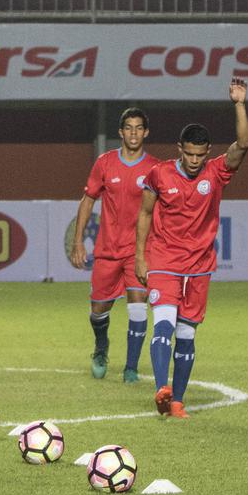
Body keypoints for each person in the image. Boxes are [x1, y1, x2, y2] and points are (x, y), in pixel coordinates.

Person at [136, 78, 248, 419]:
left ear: (208, 153)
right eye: (189, 154)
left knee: (186, 334)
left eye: (200, 155)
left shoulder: (216, 173)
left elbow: (243, 144)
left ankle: (177, 402)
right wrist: (140, 257)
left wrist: (239, 104)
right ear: (179, 148)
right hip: (164, 260)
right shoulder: (159, 175)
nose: (194, 161)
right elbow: (144, 214)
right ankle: (161, 388)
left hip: (200, 265)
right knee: (164, 325)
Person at [70, 108, 160, 382]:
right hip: (108, 250)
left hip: (139, 252)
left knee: (137, 305)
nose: (133, 133)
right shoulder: (105, 163)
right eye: (128, 128)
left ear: (145, 132)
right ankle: (101, 347)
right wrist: (78, 242)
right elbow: (88, 200)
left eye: (138, 128)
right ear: (121, 133)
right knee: (98, 310)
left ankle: (131, 367)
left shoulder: (155, 168)